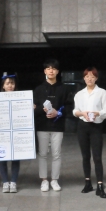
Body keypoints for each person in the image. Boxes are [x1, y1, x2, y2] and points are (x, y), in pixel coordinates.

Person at [73, 67, 106, 198]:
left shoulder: (103, 93)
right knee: (85, 156)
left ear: (96, 78)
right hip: (83, 126)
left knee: (97, 157)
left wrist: (98, 113)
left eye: (92, 76)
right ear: (84, 78)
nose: (90, 78)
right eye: (87, 76)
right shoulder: (79, 94)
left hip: (96, 126)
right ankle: (87, 182)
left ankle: (100, 185)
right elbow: (75, 111)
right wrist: (82, 113)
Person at [33, 59, 71, 192]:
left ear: (57, 71)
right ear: (45, 71)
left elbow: (69, 106)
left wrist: (58, 112)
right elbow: (33, 108)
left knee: (56, 154)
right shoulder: (38, 89)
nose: (51, 71)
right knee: (42, 154)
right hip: (42, 126)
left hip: (58, 126)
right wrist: (41, 110)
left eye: (54, 68)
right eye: (48, 68)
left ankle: (54, 180)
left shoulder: (63, 88)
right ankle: (44, 180)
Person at [0, 74, 21, 193]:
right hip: (2, 132)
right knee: (2, 156)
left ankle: (13, 182)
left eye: (12, 83)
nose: (10, 85)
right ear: (3, 86)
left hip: (16, 131)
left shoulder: (21, 97)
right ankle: (5, 182)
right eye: (7, 83)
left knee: (15, 157)